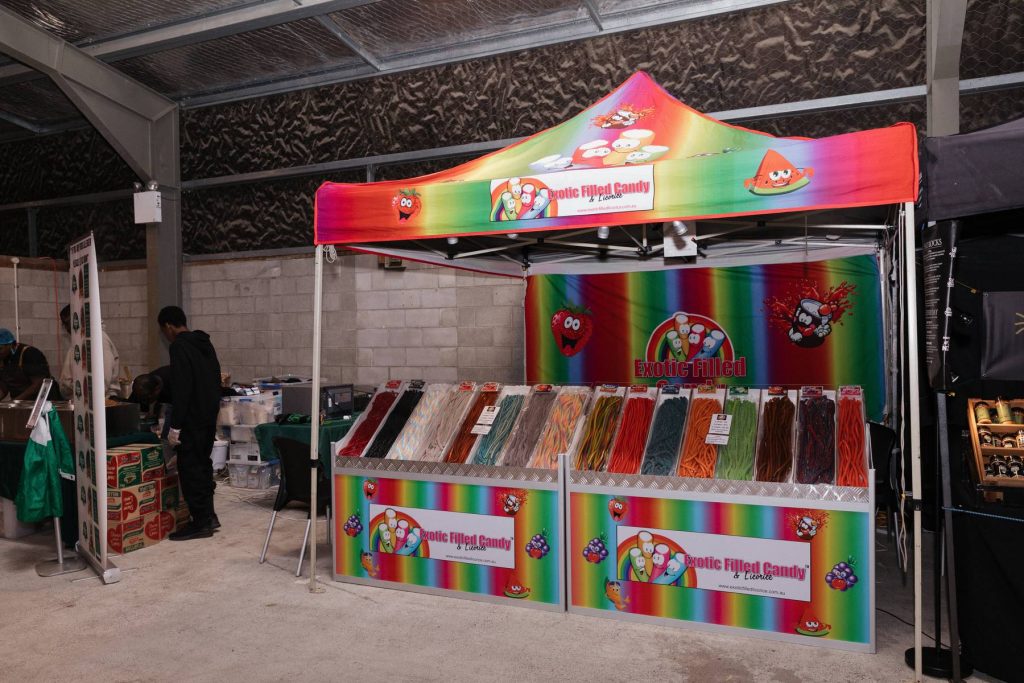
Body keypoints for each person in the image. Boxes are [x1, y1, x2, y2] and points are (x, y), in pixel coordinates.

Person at [158, 306, 222, 541]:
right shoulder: (204, 343)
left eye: (163, 331)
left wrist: (175, 426)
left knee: (190, 469)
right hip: (208, 417)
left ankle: (201, 523)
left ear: (168, 326)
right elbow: (215, 378)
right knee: (203, 466)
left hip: (191, 420)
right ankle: (210, 516)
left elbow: (182, 388)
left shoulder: (179, 347)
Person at [58, 304, 121, 400]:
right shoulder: (79, 340)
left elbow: (102, 380)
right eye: (64, 324)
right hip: (81, 400)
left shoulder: (99, 340)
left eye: (68, 323)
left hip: (99, 402)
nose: (67, 328)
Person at [0, 328, 53, 401]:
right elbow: (4, 386)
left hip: (42, 401)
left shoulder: (30, 353)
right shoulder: (3, 357)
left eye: (0, 349)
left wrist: (16, 401)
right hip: (20, 402)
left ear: (10, 345)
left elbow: (39, 384)